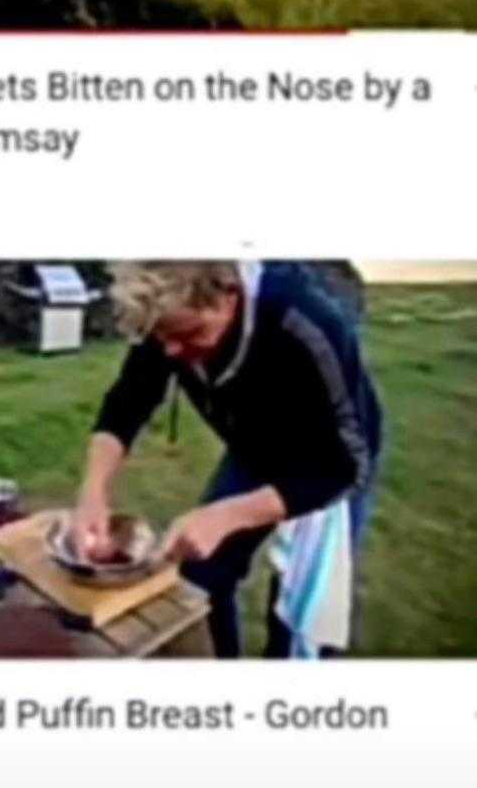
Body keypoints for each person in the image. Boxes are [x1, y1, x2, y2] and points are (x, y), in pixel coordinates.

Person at [73, 261, 382, 658]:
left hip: (326, 456)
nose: (171, 352)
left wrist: (228, 515)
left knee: (299, 610)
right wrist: (93, 493)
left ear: (229, 294)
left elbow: (344, 467)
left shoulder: (304, 320)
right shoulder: (165, 316)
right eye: (162, 337)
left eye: (189, 335)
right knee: (200, 579)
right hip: (254, 448)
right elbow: (127, 403)